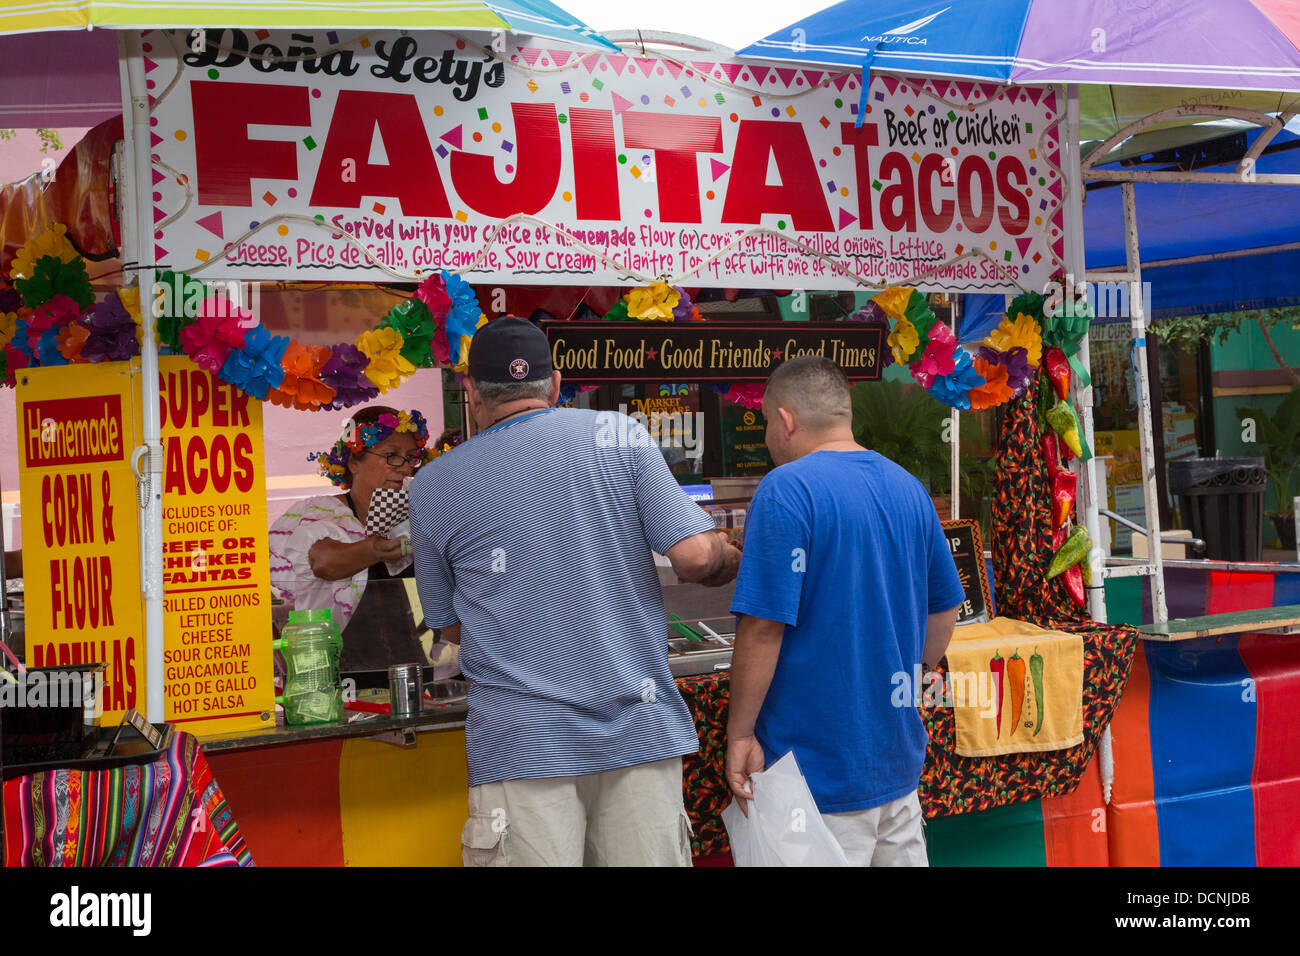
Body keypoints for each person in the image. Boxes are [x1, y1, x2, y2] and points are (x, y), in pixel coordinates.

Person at [409, 316, 741, 867]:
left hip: (519, 742)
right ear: (556, 384)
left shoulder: (433, 483)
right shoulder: (619, 434)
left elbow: (451, 627)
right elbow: (695, 557)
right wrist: (729, 550)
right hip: (637, 729)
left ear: (471, 393)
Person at [725, 356, 964, 867]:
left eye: (767, 421)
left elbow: (763, 628)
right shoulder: (909, 488)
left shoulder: (786, 489)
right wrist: (905, 677)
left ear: (786, 420)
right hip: (895, 766)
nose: (768, 436)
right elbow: (944, 610)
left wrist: (740, 734)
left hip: (811, 778)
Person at [270, 405, 442, 674]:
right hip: (332, 675)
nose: (405, 468)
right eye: (391, 456)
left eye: (411, 458)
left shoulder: (419, 514)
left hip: (410, 666)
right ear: (353, 463)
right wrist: (376, 550)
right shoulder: (320, 513)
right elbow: (323, 562)